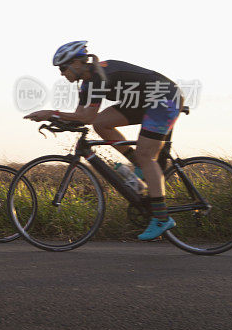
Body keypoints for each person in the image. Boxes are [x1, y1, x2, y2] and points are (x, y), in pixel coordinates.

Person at [25, 41, 182, 241]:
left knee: (146, 155)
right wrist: (55, 119)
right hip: (144, 101)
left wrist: (50, 113)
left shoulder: (99, 76)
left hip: (164, 99)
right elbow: (81, 115)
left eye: (63, 68)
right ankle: (138, 165)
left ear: (76, 63)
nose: (61, 73)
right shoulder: (87, 83)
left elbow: (85, 117)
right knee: (101, 123)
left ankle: (161, 218)